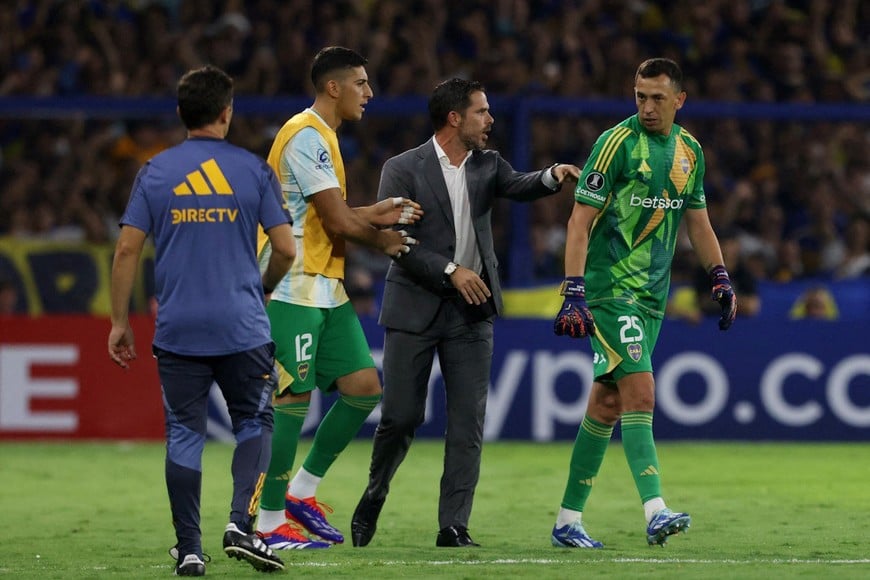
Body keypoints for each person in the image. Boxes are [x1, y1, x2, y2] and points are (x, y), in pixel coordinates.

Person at [350, 77, 581, 549]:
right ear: (455, 118)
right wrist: (452, 270)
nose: (490, 120)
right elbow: (398, 242)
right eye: (481, 112)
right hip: (415, 304)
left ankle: (453, 524)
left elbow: (519, 184)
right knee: (400, 416)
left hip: (472, 311)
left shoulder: (487, 164)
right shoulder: (402, 168)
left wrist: (552, 175)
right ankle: (375, 491)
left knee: (467, 424)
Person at [107, 65, 294, 576]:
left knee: (184, 434)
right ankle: (241, 525)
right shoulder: (254, 170)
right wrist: (266, 287)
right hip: (242, 326)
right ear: (227, 113)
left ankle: (190, 549)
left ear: (180, 114)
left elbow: (127, 250)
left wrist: (119, 321)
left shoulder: (155, 171)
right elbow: (284, 248)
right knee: (255, 422)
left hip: (178, 330)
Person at [549, 58, 737, 549]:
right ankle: (655, 510)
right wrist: (574, 290)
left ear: (680, 100)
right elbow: (578, 222)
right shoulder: (615, 145)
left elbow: (698, 221)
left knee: (608, 404)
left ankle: (567, 522)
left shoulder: (690, 151)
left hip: (653, 297)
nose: (647, 107)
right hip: (610, 290)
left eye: (657, 98)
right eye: (639, 96)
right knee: (641, 394)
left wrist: (719, 275)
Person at [253, 46, 422, 550]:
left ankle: (302, 492)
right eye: (361, 84)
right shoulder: (306, 135)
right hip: (292, 285)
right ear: (334, 87)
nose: (369, 94)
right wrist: (385, 238)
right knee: (293, 398)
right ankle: (266, 523)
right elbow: (336, 221)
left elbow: (335, 213)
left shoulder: (323, 137)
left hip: (325, 285)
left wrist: (377, 211)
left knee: (364, 386)